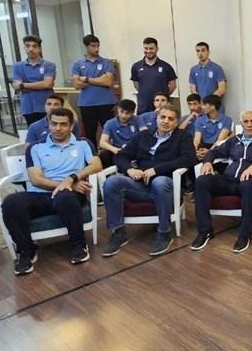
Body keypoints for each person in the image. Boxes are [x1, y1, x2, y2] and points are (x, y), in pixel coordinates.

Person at [3, 108, 101, 275]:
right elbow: (36, 179)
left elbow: (97, 165)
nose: (58, 128)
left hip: (69, 195)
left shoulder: (83, 144)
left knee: (66, 198)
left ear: (71, 126)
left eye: (63, 124)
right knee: (11, 202)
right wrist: (65, 185)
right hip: (39, 194)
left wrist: (71, 179)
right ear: (48, 124)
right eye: (54, 124)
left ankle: (78, 245)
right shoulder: (35, 147)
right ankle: (26, 251)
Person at [101, 104, 195, 257]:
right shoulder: (143, 136)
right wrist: (130, 170)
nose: (166, 121)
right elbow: (121, 156)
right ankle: (118, 232)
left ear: (176, 122)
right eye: (162, 117)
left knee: (160, 182)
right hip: (140, 186)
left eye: (171, 119)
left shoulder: (182, 137)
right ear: (156, 118)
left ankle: (164, 232)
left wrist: (156, 170)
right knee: (111, 182)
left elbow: (189, 158)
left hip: (166, 186)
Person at [192, 110, 252, 253]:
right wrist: (207, 162)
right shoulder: (234, 140)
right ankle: (205, 231)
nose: (249, 124)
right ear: (241, 124)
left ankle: (245, 235)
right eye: (246, 121)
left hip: (246, 182)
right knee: (201, 181)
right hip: (227, 179)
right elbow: (214, 152)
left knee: (248, 185)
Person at [71, 34, 117, 146]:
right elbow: (77, 84)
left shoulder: (106, 62)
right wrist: (100, 79)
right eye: (93, 46)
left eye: (98, 46)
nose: (96, 49)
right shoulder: (78, 64)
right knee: (90, 133)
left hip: (106, 102)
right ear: (86, 46)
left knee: (110, 132)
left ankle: (110, 153)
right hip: (87, 104)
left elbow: (108, 82)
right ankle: (92, 154)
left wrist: (87, 79)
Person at [11, 35, 56, 126]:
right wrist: (42, 84)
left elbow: (47, 84)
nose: (31, 49)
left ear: (39, 48)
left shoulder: (49, 65)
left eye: (34, 46)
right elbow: (17, 86)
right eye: (27, 46)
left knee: (51, 131)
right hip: (28, 107)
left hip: (47, 106)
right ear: (24, 48)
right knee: (33, 132)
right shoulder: (17, 66)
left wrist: (23, 85)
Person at [130, 37, 177, 113]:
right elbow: (137, 86)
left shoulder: (166, 66)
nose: (148, 51)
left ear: (157, 49)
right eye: (146, 48)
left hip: (162, 107)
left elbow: (173, 85)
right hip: (144, 107)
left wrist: (163, 96)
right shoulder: (136, 66)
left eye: (151, 48)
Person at [98, 99, 141, 168]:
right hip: (118, 150)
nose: (124, 116)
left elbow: (144, 134)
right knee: (104, 154)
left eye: (127, 113)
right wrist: (115, 149)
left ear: (133, 112)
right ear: (118, 109)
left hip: (135, 150)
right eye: (122, 112)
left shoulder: (138, 119)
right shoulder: (110, 123)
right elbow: (102, 142)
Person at [193, 94, 232, 160]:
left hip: (218, 146)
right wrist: (195, 151)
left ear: (213, 106)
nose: (202, 107)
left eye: (204, 105)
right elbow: (197, 139)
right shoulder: (200, 120)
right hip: (204, 145)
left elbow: (220, 140)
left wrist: (210, 151)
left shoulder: (227, 120)